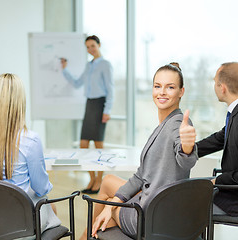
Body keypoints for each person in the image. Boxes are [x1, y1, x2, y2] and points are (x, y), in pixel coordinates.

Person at [79, 63, 198, 240]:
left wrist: (187, 147)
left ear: (181, 91)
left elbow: (185, 159)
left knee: (104, 210)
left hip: (151, 217)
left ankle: (87, 237)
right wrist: (112, 204)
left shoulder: (178, 125)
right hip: (156, 206)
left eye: (170, 87)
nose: (162, 92)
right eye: (158, 86)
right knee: (108, 184)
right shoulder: (165, 124)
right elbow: (141, 175)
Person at [0, 73, 61, 234]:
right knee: (50, 206)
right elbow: (41, 188)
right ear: (20, 102)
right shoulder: (30, 139)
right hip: (20, 222)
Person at [61, 35, 114, 194]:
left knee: (99, 146)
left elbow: (111, 89)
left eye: (93, 46)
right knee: (83, 145)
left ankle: (99, 180)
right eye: (88, 47)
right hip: (89, 105)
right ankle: (92, 178)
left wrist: (107, 111)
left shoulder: (105, 64)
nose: (90, 49)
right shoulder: (89, 65)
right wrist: (65, 70)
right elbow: (78, 83)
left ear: (99, 45)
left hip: (100, 105)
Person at [196, 62, 238, 217]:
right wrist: (190, 150)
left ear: (223, 87)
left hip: (233, 197)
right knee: (190, 188)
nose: (214, 86)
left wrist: (218, 180)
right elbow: (220, 137)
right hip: (230, 188)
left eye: (215, 82)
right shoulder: (234, 114)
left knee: (185, 198)